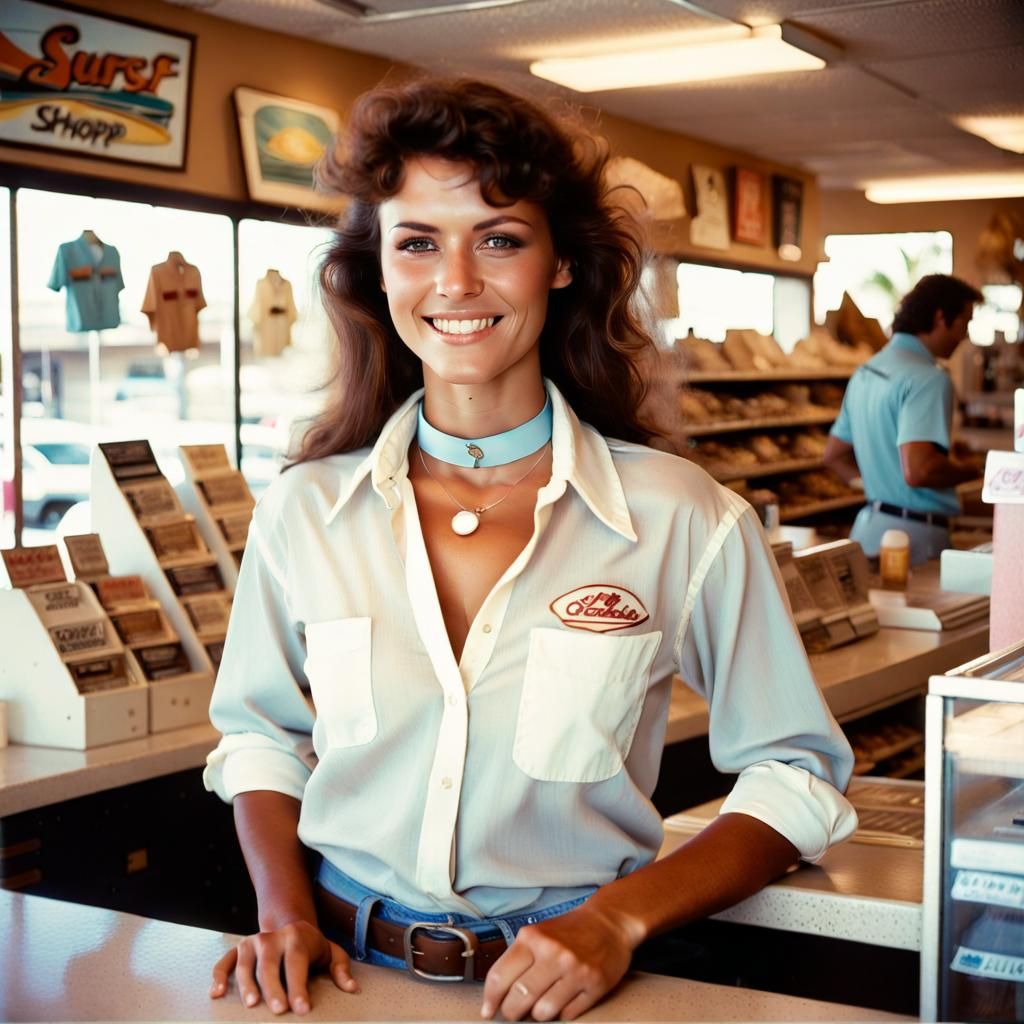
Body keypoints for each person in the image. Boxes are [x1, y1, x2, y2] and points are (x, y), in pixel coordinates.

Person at [204, 77, 857, 1020]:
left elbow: (796, 773)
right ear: (377, 269)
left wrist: (619, 922)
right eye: (418, 243)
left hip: (580, 989)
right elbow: (261, 738)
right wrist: (281, 911)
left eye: (499, 239)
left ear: (559, 264)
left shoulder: (682, 517)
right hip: (342, 979)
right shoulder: (306, 510)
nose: (456, 283)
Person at [823, 274, 983, 565]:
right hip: (915, 539)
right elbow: (919, 471)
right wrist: (973, 470)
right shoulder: (930, 379)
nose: (965, 336)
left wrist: (879, 485)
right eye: (965, 323)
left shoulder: (865, 373)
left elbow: (833, 456)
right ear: (940, 317)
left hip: (869, 530)